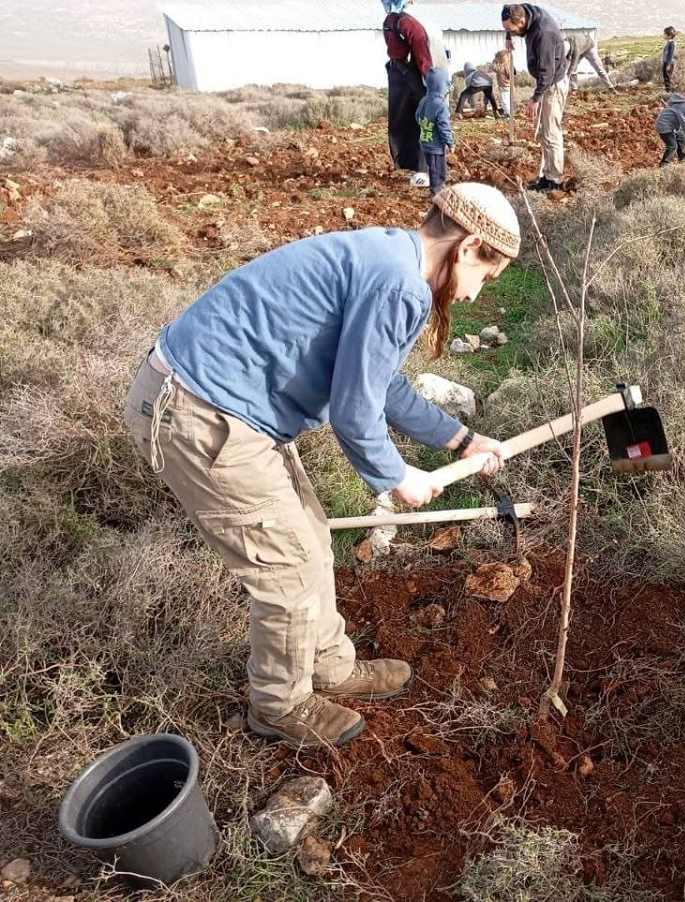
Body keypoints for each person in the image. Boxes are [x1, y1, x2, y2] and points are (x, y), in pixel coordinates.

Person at [124, 184, 521, 748]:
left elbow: (380, 384)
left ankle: (329, 666)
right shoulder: (398, 284)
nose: (478, 297)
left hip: (229, 407)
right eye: (486, 277)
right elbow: (355, 412)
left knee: (308, 536)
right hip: (199, 413)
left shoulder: (392, 258)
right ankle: (278, 706)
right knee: (285, 568)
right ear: (469, 247)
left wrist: (461, 439)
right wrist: (396, 477)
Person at [502, 4, 569, 192]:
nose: (511, 32)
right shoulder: (525, 11)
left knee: (551, 132)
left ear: (522, 22)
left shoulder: (543, 32)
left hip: (552, 85)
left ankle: (554, 180)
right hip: (546, 81)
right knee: (543, 132)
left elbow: (548, 72)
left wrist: (536, 97)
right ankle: (546, 176)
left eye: (511, 30)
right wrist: (508, 37)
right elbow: (509, 10)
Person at [383, 0, 434, 187]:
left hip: (402, 74)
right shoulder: (407, 22)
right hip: (412, 77)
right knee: (421, 122)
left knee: (413, 123)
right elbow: (423, 56)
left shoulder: (392, 20)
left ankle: (423, 169)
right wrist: (431, 80)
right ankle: (421, 169)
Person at [416, 67, 454, 194]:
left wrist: (425, 126)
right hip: (436, 146)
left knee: (432, 167)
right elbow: (444, 126)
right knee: (438, 170)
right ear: (442, 86)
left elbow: (417, 116)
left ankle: (436, 188)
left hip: (425, 142)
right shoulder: (441, 105)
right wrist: (450, 142)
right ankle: (436, 192)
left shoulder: (424, 100)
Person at [493, 49, 514, 118]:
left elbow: (494, 68)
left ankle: (508, 114)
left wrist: (494, 61)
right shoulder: (508, 65)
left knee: (504, 101)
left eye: (497, 58)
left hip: (504, 86)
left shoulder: (502, 67)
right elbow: (511, 75)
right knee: (507, 100)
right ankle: (508, 113)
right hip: (508, 86)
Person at [662, 26, 678, 91]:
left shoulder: (671, 43)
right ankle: (669, 89)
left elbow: (671, 55)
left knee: (667, 77)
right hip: (666, 62)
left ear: (669, 35)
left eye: (664, 34)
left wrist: (668, 64)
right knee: (667, 76)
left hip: (668, 63)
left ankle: (668, 90)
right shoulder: (669, 43)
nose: (663, 35)